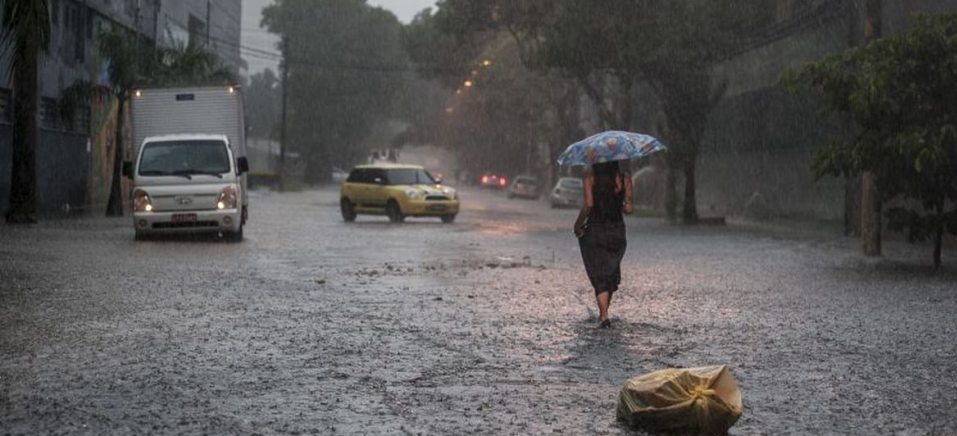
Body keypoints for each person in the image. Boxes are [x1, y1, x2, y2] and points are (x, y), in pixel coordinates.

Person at [573, 160, 634, 328]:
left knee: (599, 273)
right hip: (617, 231)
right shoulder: (624, 179)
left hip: (596, 230)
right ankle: (605, 313)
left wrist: (578, 225)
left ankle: (603, 316)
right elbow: (629, 209)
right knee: (610, 273)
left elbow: (589, 204)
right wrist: (616, 202)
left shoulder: (589, 177)